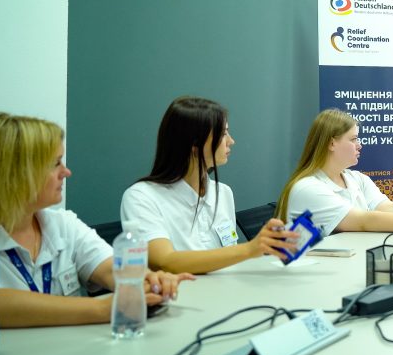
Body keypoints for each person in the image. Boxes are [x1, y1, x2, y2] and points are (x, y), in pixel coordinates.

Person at [0, 113, 192, 327]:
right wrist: (102, 309)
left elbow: (111, 269)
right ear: (14, 174)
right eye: (55, 163)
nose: (66, 172)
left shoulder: (62, 224)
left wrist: (148, 280)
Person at [121, 97, 297, 274]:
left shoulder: (223, 192)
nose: (231, 141)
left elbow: (227, 258)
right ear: (194, 144)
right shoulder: (142, 197)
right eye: (223, 134)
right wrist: (249, 249)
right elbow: (165, 261)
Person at [275, 108, 393, 235]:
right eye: (353, 139)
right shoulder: (308, 188)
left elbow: (388, 208)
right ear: (331, 143)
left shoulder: (357, 178)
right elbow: (364, 221)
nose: (359, 145)